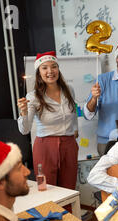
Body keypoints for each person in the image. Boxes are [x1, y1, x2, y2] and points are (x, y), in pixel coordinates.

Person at [17, 51, 78, 190]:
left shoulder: (69, 90)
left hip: (68, 145)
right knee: (45, 189)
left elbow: (73, 115)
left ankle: (67, 213)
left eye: (53, 66)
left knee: (69, 189)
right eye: (44, 68)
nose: (50, 71)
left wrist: (74, 134)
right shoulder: (33, 97)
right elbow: (24, 130)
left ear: (58, 69)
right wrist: (24, 112)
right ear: (39, 72)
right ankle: (47, 213)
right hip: (45, 147)